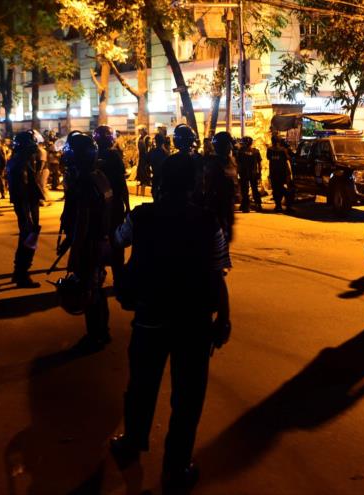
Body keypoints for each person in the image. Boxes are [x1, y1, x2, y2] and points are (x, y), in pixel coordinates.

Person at [110, 148, 232, 493]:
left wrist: (122, 277)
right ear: (194, 185)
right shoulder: (208, 221)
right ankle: (177, 466)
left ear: (160, 183)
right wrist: (224, 317)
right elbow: (217, 271)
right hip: (194, 322)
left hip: (150, 317)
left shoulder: (142, 216)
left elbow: (116, 241)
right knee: (188, 396)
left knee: (142, 386)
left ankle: (132, 442)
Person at [59, 133, 114, 351]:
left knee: (88, 291)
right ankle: (103, 331)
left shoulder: (83, 182)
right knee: (97, 289)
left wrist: (74, 251)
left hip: (89, 244)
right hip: (102, 240)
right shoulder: (99, 176)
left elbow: (83, 220)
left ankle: (96, 335)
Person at [7, 130, 45, 288]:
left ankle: (20, 272)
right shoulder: (19, 163)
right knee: (28, 237)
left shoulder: (23, 161)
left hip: (29, 204)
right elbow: (20, 191)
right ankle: (22, 273)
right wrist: (26, 215)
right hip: (25, 206)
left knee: (29, 237)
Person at [94, 125, 131, 285]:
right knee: (116, 242)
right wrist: (127, 205)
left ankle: (97, 275)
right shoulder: (114, 156)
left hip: (97, 207)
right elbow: (122, 184)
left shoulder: (92, 156)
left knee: (98, 239)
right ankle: (118, 278)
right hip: (114, 205)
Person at [204, 132, 238, 243]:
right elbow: (208, 187)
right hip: (217, 208)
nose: (231, 147)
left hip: (229, 207)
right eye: (228, 144)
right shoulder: (212, 163)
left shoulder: (231, 161)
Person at [236, 136, 263, 213]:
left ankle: (245, 206)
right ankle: (258, 204)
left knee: (245, 190)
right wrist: (259, 173)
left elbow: (238, 163)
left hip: (244, 173)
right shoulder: (256, 151)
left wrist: (238, 173)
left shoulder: (240, 152)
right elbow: (259, 164)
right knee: (254, 189)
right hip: (253, 173)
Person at [267, 138, 294, 212]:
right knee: (285, 189)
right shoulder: (283, 150)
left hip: (274, 172)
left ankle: (278, 205)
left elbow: (269, 158)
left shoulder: (270, 150)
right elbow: (288, 158)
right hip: (283, 173)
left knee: (276, 189)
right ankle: (288, 206)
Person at [149, 133, 170, 201]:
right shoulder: (165, 152)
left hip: (156, 176)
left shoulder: (152, 151)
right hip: (163, 177)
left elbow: (146, 165)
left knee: (155, 194)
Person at [136, 126, 152, 193]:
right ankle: (142, 181)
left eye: (141, 130)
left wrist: (148, 155)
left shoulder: (147, 137)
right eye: (139, 130)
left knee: (145, 168)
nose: (140, 132)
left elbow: (149, 146)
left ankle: (147, 181)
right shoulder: (139, 138)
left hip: (146, 155)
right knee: (140, 168)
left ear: (144, 130)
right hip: (141, 155)